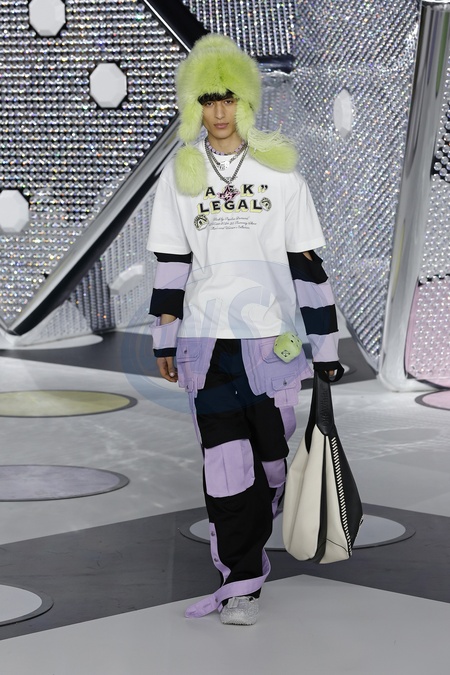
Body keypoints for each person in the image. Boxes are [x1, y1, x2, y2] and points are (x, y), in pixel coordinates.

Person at [147, 33, 342, 625]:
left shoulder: (280, 175)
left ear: (246, 100)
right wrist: (163, 339)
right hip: (206, 345)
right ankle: (241, 581)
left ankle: (257, 529)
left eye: (228, 97)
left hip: (273, 344)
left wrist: (325, 347)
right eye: (209, 99)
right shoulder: (180, 176)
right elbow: (171, 265)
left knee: (271, 465)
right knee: (225, 465)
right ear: (195, 105)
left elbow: (307, 266)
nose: (220, 111)